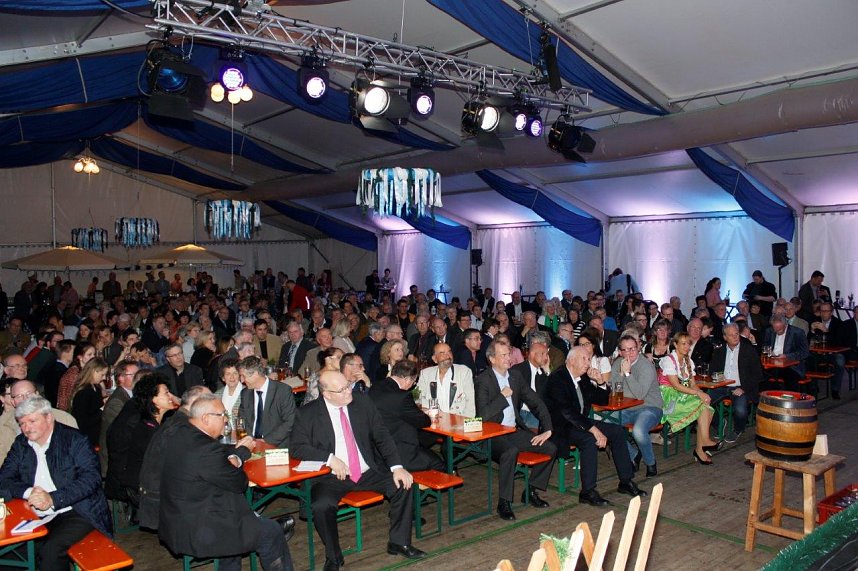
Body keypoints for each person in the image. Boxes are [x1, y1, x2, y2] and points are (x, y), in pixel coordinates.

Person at [291, 370, 426, 570]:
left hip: (367, 469)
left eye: (348, 385)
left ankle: (399, 541)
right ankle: (334, 557)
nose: (349, 391)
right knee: (321, 505)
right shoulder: (307, 413)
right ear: (326, 394)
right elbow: (297, 447)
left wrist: (397, 467)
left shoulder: (361, 402)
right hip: (332, 477)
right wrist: (329, 459)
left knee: (404, 484)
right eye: (342, 389)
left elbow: (382, 435)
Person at [160, 393, 295, 570]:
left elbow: (213, 462)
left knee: (236, 537)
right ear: (206, 418)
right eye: (223, 415)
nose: (226, 421)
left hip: (177, 518)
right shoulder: (205, 449)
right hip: (200, 528)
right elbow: (239, 483)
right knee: (272, 531)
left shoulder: (180, 432)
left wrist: (233, 456)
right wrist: (239, 457)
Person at [0, 397, 111, 571]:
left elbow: (91, 479)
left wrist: (53, 499)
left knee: (50, 551)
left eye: (32, 421)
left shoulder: (75, 440)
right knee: (12, 552)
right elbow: (4, 478)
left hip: (77, 510)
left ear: (49, 417)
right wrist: (29, 492)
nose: (26, 428)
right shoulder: (21, 444)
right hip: (35, 514)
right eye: (22, 423)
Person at [543, 346, 646, 506]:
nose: (588, 363)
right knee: (589, 440)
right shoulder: (557, 379)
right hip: (560, 427)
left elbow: (602, 400)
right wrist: (594, 430)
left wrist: (600, 382)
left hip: (579, 423)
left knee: (618, 431)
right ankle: (588, 492)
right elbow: (567, 412)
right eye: (583, 359)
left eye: (588, 359)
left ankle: (626, 481)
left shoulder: (582, 377)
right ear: (571, 361)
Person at [475, 340, 555, 521]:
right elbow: (483, 415)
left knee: (550, 448)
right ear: (492, 359)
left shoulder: (515, 376)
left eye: (508, 354)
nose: (508, 358)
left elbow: (536, 402)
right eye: (503, 355)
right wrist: (502, 396)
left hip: (513, 431)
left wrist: (548, 429)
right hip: (492, 434)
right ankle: (504, 502)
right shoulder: (483, 380)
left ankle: (531, 491)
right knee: (510, 452)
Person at [137, 385, 211, 531]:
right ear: (196, 402)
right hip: (160, 500)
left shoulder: (178, 420)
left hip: (154, 494)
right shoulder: (184, 426)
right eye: (209, 400)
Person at [369, 360, 444, 472]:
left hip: (377, 451)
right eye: (414, 382)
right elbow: (423, 421)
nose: (412, 385)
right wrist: (429, 415)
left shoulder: (375, 387)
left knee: (427, 439)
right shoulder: (402, 396)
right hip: (400, 454)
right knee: (439, 463)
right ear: (408, 379)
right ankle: (420, 488)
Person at [659, 332, 720, 465]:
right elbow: (675, 385)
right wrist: (698, 394)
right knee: (702, 406)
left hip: (684, 394)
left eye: (688, 344)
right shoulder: (668, 360)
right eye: (683, 344)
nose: (687, 347)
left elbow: (692, 383)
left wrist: (702, 394)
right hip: (670, 397)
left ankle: (701, 447)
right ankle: (703, 443)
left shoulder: (688, 361)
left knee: (706, 407)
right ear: (675, 344)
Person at [611, 335, 663, 477]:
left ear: (638, 348)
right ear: (620, 352)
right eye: (625, 350)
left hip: (650, 407)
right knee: (605, 424)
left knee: (638, 431)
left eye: (632, 349)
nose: (629, 353)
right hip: (626, 408)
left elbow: (639, 394)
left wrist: (627, 373)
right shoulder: (617, 363)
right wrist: (621, 373)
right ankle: (633, 454)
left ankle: (651, 463)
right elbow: (615, 390)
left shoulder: (646, 366)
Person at [709, 324, 764, 443]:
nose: (735, 337)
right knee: (704, 401)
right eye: (731, 335)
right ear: (725, 337)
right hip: (722, 386)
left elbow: (757, 374)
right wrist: (717, 376)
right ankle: (719, 424)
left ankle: (738, 429)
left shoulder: (748, 350)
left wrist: (743, 388)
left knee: (740, 409)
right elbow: (712, 370)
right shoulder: (720, 351)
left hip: (741, 387)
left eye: (736, 334)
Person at [238, 356, 296, 448]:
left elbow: (289, 422)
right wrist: (248, 438)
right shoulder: (245, 393)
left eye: (243, 376)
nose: (241, 380)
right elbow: (241, 420)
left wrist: (264, 441)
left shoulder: (282, 391)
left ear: (256, 374)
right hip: (251, 444)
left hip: (276, 445)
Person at [99, 360, 139, 473]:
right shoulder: (117, 401)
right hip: (116, 459)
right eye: (133, 375)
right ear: (121, 378)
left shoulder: (131, 395)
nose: (137, 378)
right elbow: (126, 430)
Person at [416, 343, 476, 417]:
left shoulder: (464, 372)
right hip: (433, 421)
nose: (448, 356)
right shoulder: (425, 374)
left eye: (449, 352)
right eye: (442, 353)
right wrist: (434, 410)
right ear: (434, 358)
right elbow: (417, 398)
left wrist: (464, 424)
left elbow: (470, 403)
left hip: (457, 422)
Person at [510, 332, 552, 430]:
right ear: (532, 354)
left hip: (536, 413)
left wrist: (547, 371)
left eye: (547, 354)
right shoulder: (518, 370)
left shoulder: (542, 373)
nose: (546, 358)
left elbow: (550, 394)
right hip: (519, 413)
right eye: (543, 354)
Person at [762, 314, 809, 392]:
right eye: (775, 329)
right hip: (772, 363)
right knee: (760, 375)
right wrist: (768, 353)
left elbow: (805, 352)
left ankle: (791, 400)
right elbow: (765, 346)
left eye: (780, 329)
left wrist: (787, 356)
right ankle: (767, 399)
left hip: (791, 366)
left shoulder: (797, 332)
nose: (777, 331)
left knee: (790, 378)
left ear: (785, 325)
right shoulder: (769, 331)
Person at [70, 358, 109, 446]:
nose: (104, 378)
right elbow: (83, 422)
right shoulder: (83, 393)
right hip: (89, 435)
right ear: (93, 372)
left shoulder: (95, 387)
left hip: (96, 428)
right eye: (102, 374)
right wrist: (102, 408)